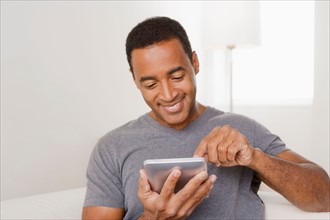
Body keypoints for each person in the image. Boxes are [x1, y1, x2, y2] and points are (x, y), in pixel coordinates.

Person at [82, 16, 330, 219]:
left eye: (177, 77)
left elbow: (325, 197)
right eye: (150, 84)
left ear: (195, 63)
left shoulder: (240, 130)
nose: (168, 95)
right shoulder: (111, 148)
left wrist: (256, 158)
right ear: (134, 79)